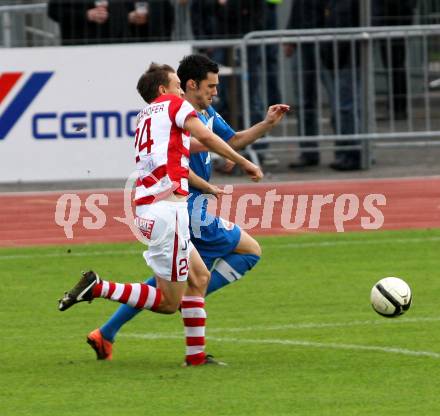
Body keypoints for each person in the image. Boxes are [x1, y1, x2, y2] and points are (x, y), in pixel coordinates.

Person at [84, 54, 289, 361]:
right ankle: (188, 307)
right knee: (248, 252)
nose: (215, 92)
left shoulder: (202, 114)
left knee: (179, 278)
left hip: (178, 206)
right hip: (187, 208)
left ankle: (109, 333)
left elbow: (232, 140)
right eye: (210, 86)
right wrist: (235, 167)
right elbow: (179, 159)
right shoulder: (177, 112)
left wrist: (266, 124)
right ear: (189, 85)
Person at [286, 0, 361, 171]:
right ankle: (309, 151)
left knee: (340, 102)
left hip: (331, 41)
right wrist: (290, 35)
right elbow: (298, 7)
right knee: (306, 100)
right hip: (305, 38)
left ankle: (347, 152)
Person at [373, 0, 417, 120]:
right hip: (393, 22)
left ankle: (398, 108)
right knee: (395, 66)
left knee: (395, 67)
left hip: (392, 23)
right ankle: (397, 108)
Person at [48, 0, 130, 45]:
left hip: (113, 45)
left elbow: (125, 8)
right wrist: (86, 15)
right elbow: (53, 11)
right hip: (78, 47)